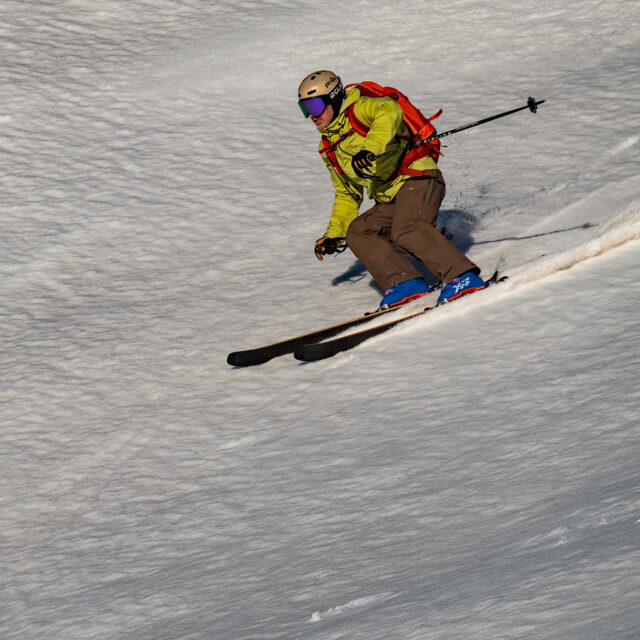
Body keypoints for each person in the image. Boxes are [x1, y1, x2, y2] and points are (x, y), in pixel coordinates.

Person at [297, 69, 487, 308]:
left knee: (406, 229)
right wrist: (334, 234)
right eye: (305, 109)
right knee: (357, 232)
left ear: (334, 98)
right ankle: (406, 283)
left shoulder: (360, 108)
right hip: (391, 197)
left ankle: (462, 276)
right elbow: (347, 193)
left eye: (315, 106)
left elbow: (390, 110)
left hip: (418, 178)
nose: (311, 115)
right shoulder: (328, 146)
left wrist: (370, 149)